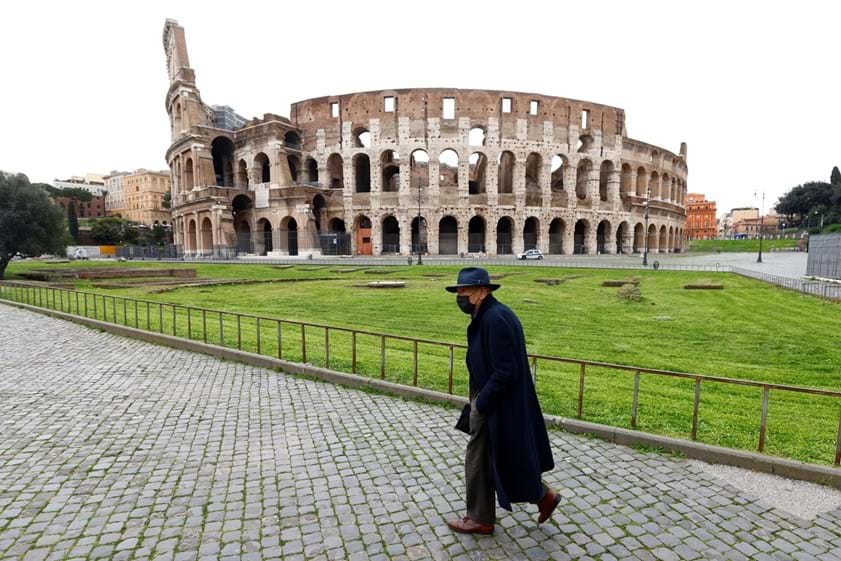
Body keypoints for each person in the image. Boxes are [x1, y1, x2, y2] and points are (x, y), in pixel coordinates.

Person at [445, 267, 560, 535]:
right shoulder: (488, 315)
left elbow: (506, 371)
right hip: (494, 401)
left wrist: (481, 404)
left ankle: (480, 518)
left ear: (482, 291)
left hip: (495, 404)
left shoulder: (495, 319)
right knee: (500, 458)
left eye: (465, 291)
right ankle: (543, 497)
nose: (460, 296)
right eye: (458, 291)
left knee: (480, 457)